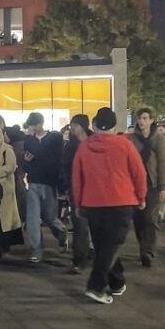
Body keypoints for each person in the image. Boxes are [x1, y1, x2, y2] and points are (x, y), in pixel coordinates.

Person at [72, 107, 147, 305]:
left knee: (103, 245)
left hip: (93, 203)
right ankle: (96, 286)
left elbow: (77, 178)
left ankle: (116, 281)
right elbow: (138, 173)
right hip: (120, 201)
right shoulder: (125, 145)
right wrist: (141, 196)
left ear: (95, 125)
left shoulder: (84, 147)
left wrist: (79, 202)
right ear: (114, 125)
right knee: (111, 245)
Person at [22, 112, 67, 262]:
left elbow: (58, 160)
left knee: (50, 217)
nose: (31, 129)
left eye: (32, 125)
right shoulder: (28, 140)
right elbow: (25, 162)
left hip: (49, 182)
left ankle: (61, 233)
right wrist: (27, 162)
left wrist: (60, 184)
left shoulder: (55, 138)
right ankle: (36, 249)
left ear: (39, 124)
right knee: (33, 218)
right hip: (33, 182)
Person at [129, 107, 165, 268]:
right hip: (135, 185)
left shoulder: (159, 139)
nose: (142, 121)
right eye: (140, 118)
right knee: (138, 219)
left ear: (152, 120)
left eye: (145, 118)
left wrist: (163, 187)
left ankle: (149, 250)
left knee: (150, 217)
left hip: (152, 184)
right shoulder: (132, 139)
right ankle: (143, 248)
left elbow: (164, 164)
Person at [61, 114, 93, 274]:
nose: (72, 127)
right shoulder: (70, 146)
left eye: (75, 125)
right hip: (77, 190)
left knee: (98, 225)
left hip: (97, 189)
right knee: (80, 226)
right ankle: (79, 260)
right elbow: (65, 169)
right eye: (71, 125)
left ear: (83, 126)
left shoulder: (95, 141)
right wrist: (66, 188)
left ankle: (95, 253)